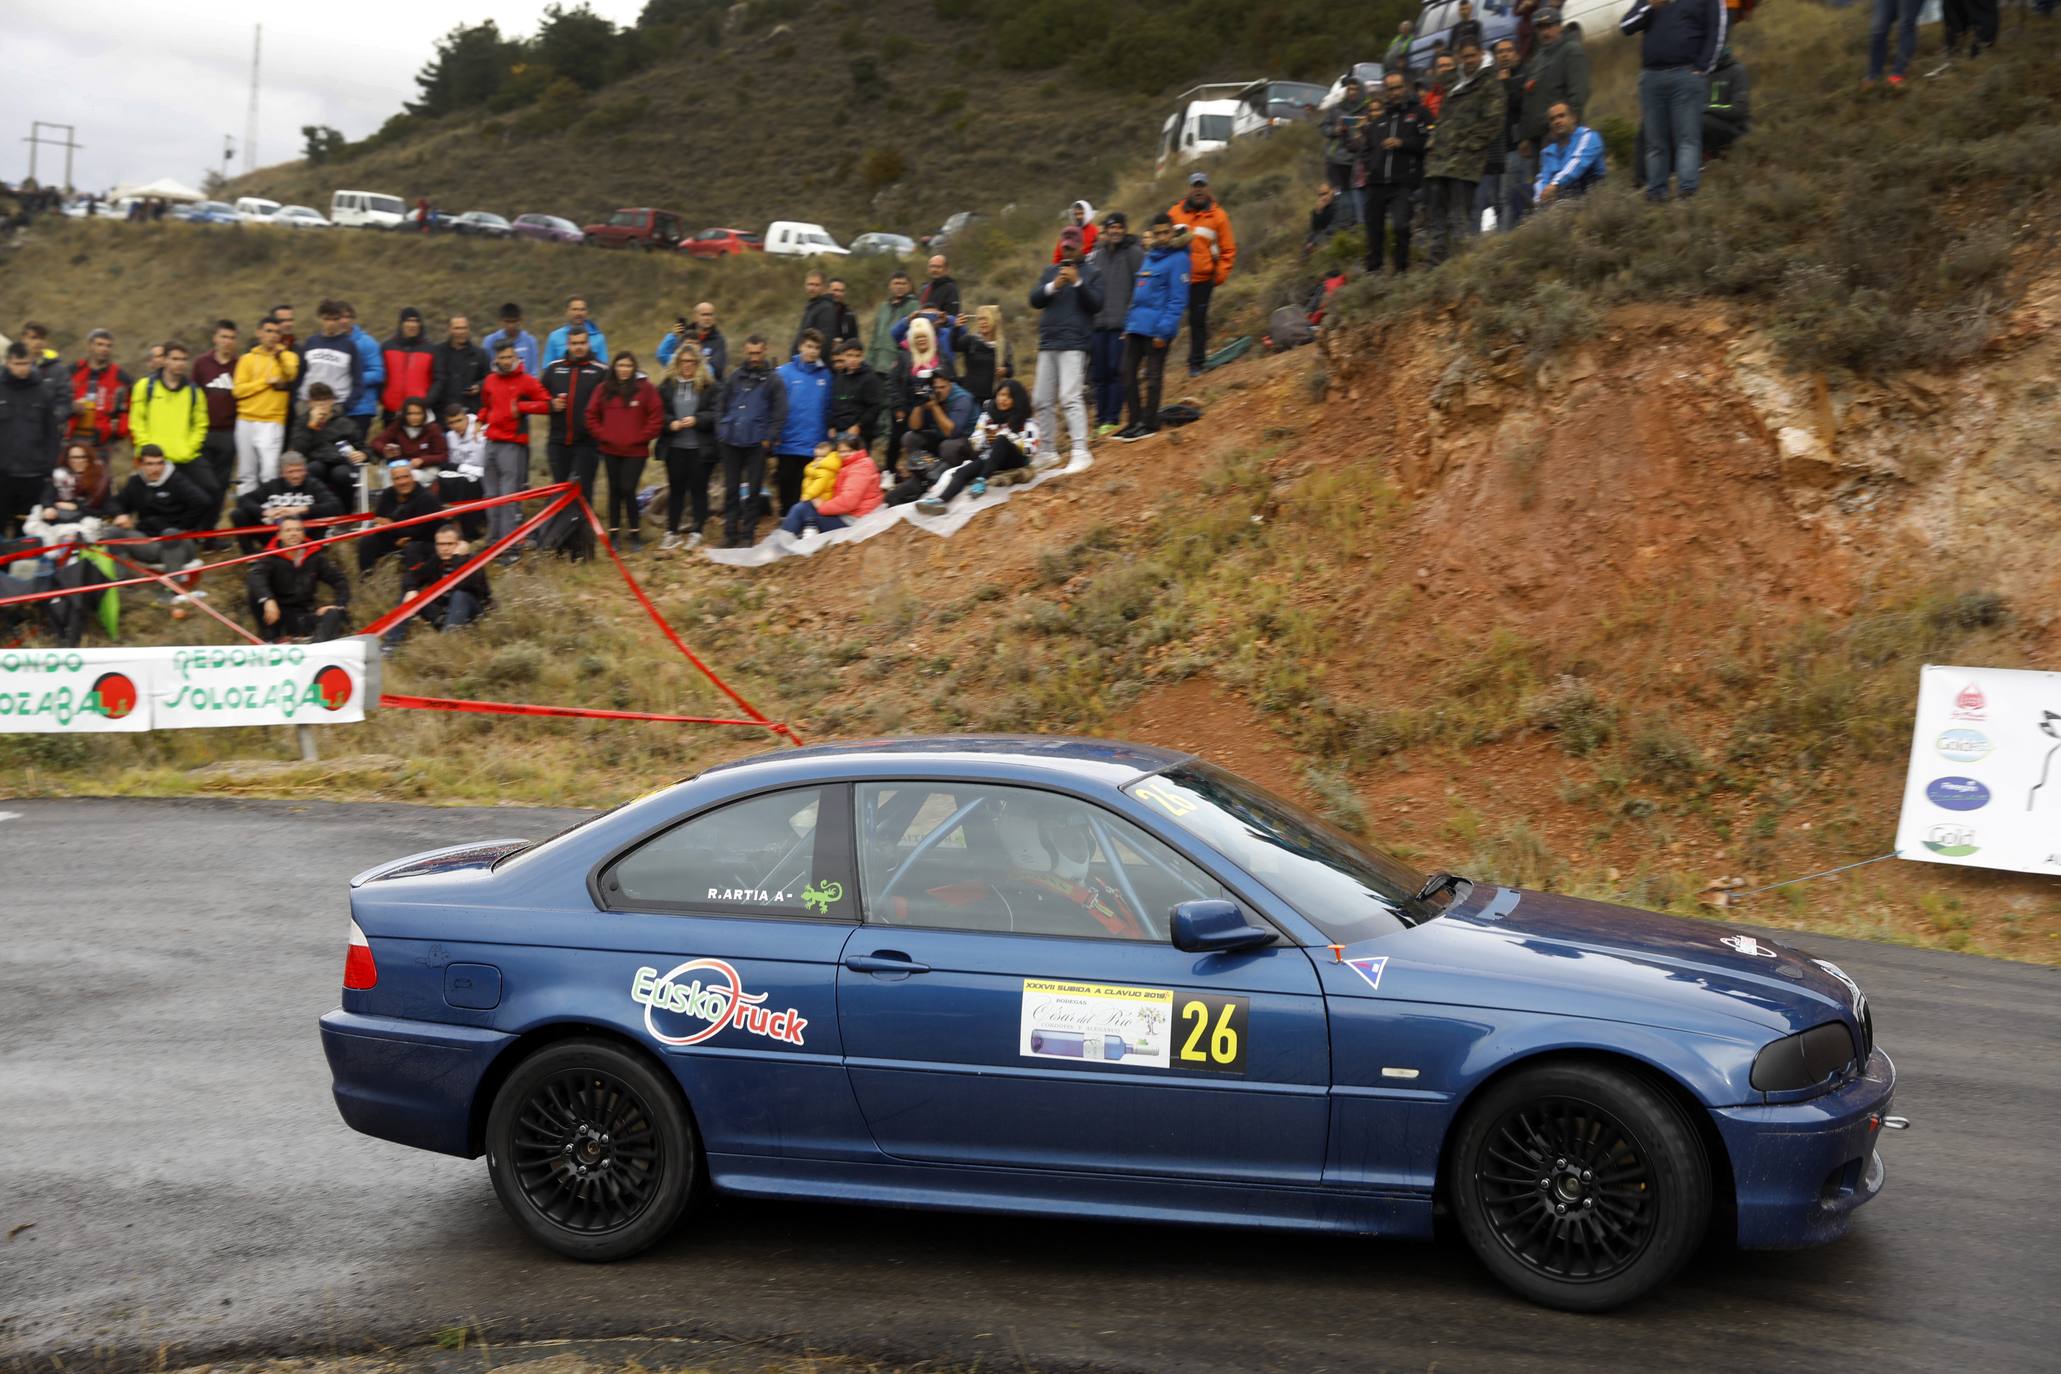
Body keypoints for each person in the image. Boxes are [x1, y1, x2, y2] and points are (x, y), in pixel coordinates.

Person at [1621, 0, 1726, 201]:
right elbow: (1625, 26)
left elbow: (1717, 31)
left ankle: (1687, 192)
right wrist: (1650, 6)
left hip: (1686, 75)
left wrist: (1703, 67)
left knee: (1687, 138)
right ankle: (1657, 193)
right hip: (1651, 77)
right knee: (1655, 142)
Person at [1028, 227, 1104, 468]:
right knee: (1042, 399)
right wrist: (1053, 286)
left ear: (1083, 246)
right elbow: (1034, 299)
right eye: (1064, 246)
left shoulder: (1093, 273)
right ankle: (1048, 450)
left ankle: (1081, 451)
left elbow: (1097, 304)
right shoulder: (1051, 271)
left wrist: (1078, 283)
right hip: (1048, 341)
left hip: (1074, 342)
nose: (1067, 250)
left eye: (1072, 246)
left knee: (1070, 397)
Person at [1422, 41, 1501, 266]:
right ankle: (1436, 261)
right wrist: (1434, 141)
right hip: (1439, 159)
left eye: (1472, 56)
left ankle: (1460, 263)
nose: (1469, 60)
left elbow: (1494, 122)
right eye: (1465, 56)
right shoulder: (1453, 83)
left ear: (1480, 55)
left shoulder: (1489, 84)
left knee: (1459, 214)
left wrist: (1469, 144)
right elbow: (1442, 116)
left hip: (1465, 161)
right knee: (1435, 210)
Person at [1116, 214, 1189, 443]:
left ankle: (1149, 423)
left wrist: (1164, 330)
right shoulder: (1150, 257)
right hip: (1136, 326)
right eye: (1157, 233)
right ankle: (1134, 420)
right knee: (1126, 373)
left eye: (1165, 232)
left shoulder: (1179, 259)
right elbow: (1139, 294)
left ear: (1172, 233)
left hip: (1157, 328)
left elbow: (1178, 300)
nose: (1161, 237)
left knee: (1153, 377)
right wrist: (1128, 325)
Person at [916, 378, 1038, 511]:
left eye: (1009, 397)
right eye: (1001, 395)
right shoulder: (987, 416)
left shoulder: (1026, 421)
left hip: (1016, 459)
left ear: (1017, 400)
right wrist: (986, 439)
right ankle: (941, 500)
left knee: (1002, 440)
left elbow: (1030, 449)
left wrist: (1007, 437)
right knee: (963, 472)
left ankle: (981, 480)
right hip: (992, 456)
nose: (1003, 399)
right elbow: (975, 442)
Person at [584, 351, 663, 550]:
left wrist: (642, 437)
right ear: (614, 368)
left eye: (628, 366)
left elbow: (656, 416)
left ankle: (635, 533)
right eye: (620, 366)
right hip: (610, 449)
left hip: (636, 451)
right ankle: (614, 534)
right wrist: (603, 434)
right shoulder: (603, 389)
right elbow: (590, 415)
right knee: (614, 490)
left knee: (627, 488)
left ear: (634, 368)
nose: (624, 370)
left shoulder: (645, 389)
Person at [713, 335, 787, 548]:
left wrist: (768, 439)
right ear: (745, 352)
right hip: (731, 441)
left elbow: (780, 412)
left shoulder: (774, 380)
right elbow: (720, 403)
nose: (754, 357)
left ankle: (747, 536)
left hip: (757, 444)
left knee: (754, 491)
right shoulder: (735, 376)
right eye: (750, 353)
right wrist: (721, 429)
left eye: (758, 353)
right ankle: (729, 535)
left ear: (764, 351)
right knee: (731, 490)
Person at [478, 343, 552, 551]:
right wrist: (479, 420)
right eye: (502, 357)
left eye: (510, 357)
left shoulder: (526, 380)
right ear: (496, 359)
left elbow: (547, 403)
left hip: (512, 444)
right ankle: (493, 541)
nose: (507, 361)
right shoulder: (490, 380)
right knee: (490, 495)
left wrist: (522, 407)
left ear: (516, 358)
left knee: (509, 496)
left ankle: (509, 544)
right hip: (490, 442)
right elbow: (487, 405)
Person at [111, 444, 212, 593]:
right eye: (150, 464)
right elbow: (116, 503)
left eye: (160, 463)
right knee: (113, 532)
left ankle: (173, 590)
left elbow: (203, 501)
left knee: (170, 535)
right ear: (140, 464)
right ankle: (123, 582)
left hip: (179, 544)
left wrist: (183, 527)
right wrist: (120, 515)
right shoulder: (135, 482)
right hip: (148, 542)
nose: (156, 468)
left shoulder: (176, 480)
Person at [1167, 173, 1235, 378]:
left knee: (1198, 322)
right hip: (1177, 279)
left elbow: (1228, 249)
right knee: (1169, 319)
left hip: (1203, 280)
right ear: (1188, 188)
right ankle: (1156, 362)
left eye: (1202, 186)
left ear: (1208, 188)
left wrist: (1219, 276)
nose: (1198, 190)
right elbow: (1163, 240)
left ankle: (1196, 363)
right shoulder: (1174, 213)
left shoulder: (1219, 216)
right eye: (1195, 186)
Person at [129, 340, 213, 505]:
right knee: (149, 502)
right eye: (175, 359)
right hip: (153, 459)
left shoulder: (194, 391)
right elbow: (137, 421)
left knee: (211, 490)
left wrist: (189, 449)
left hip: (184, 456)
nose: (180, 363)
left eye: (183, 359)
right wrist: (148, 449)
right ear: (165, 360)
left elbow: (201, 424)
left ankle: (198, 530)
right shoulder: (145, 386)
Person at [246, 513, 350, 643]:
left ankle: (316, 647)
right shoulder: (270, 557)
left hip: (305, 615)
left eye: (298, 530)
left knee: (333, 614)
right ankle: (271, 640)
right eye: (288, 530)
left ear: (303, 533)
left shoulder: (315, 557)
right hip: (278, 616)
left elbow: (339, 579)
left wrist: (338, 605)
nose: (293, 534)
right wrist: (268, 600)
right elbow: (255, 576)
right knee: (255, 593)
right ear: (279, 534)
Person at [1359, 89, 1429, 274]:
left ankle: (1401, 270)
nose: (1395, 92)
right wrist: (1369, 167)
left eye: (1398, 87)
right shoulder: (1378, 121)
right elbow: (1365, 149)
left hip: (1403, 181)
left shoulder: (1417, 114)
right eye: (1390, 89)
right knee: (1373, 228)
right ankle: (1374, 270)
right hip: (1376, 182)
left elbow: (1426, 142)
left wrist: (1402, 143)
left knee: (1401, 226)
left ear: (1404, 88)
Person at [388, 523, 491, 645]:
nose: (444, 548)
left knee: (460, 595)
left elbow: (463, 584)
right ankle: (391, 645)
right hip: (443, 614)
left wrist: (457, 558)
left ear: (460, 544)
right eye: (440, 544)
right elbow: (411, 575)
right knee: (410, 595)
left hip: (474, 614)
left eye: (449, 544)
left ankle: (447, 643)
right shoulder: (436, 560)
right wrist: (411, 589)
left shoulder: (472, 561)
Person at [658, 345, 718, 550]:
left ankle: (697, 531)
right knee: (676, 489)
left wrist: (697, 420)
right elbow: (659, 413)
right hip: (674, 446)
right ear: (676, 363)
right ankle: (671, 531)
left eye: (691, 362)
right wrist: (669, 423)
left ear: (698, 364)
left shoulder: (708, 386)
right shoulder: (667, 386)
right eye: (683, 361)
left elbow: (715, 413)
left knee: (698, 490)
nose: (687, 366)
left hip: (699, 448)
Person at [2, 346, 67, 536]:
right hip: (3, 475)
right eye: (17, 364)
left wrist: (48, 468)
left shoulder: (42, 392)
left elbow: (51, 434)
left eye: (26, 364)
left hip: (33, 476)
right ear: (8, 363)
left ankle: (22, 564)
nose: (22, 368)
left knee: (28, 532)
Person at [889, 368, 979, 505]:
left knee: (948, 446)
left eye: (943, 387)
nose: (939, 391)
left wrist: (935, 407)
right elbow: (914, 426)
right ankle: (924, 473)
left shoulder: (962, 398)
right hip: (941, 438)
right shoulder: (930, 395)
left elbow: (952, 432)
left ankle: (944, 478)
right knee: (909, 437)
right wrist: (919, 405)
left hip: (965, 444)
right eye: (935, 387)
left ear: (951, 385)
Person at [1088, 213, 1143, 435]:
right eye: (1112, 227)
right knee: (1099, 375)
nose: (1115, 231)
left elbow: (1141, 288)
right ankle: (1100, 420)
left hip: (1122, 324)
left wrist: (1132, 320)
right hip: (1098, 324)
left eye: (1120, 227)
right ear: (1106, 230)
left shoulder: (1134, 253)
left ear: (1125, 229)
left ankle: (1112, 418)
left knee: (1116, 371)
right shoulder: (1096, 256)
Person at [232, 317, 300, 496]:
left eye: (277, 332)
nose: (272, 336)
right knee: (246, 474)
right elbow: (238, 391)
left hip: (271, 421)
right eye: (268, 331)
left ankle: (269, 516)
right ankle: (247, 516)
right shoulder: (246, 359)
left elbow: (290, 374)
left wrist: (279, 356)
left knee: (269, 473)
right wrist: (265, 382)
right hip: (246, 420)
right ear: (259, 333)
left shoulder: (288, 357)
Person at [1518, 8, 1592, 169]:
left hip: (1562, 135)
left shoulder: (1571, 51)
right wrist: (1525, 136)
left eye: (1549, 26)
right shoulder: (1538, 58)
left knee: (1565, 187)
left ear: (1559, 26)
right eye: (1540, 27)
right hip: (1538, 138)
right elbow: (1528, 98)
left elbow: (1579, 93)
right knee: (1542, 189)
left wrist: (1568, 129)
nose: (1545, 31)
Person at [541, 328, 608, 504]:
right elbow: (537, 396)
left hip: (587, 443)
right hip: (557, 441)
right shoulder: (554, 368)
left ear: (588, 344)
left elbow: (610, 405)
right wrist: (550, 404)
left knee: (582, 491)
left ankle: (584, 530)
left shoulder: (601, 370)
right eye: (574, 343)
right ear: (568, 344)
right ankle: (562, 530)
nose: (578, 347)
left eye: (582, 343)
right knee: (560, 489)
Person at [771, 330, 834, 516]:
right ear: (800, 346)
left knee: (807, 484)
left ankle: (801, 521)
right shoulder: (783, 372)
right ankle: (784, 518)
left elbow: (828, 407)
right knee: (785, 482)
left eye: (816, 347)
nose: (812, 351)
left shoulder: (826, 375)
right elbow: (775, 405)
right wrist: (775, 433)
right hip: (787, 441)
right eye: (809, 346)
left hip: (813, 443)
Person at [230, 450, 342, 550]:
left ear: (305, 471)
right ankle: (251, 556)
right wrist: (264, 512)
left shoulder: (314, 485)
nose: (296, 476)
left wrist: (302, 509)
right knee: (238, 514)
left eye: (299, 471)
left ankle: (315, 552)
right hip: (275, 533)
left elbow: (335, 506)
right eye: (291, 472)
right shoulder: (273, 485)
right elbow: (243, 499)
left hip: (306, 533)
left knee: (325, 514)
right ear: (282, 473)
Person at [778, 432, 881, 537]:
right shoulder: (851, 464)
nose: (844, 454)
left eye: (849, 451)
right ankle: (790, 538)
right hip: (849, 514)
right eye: (841, 451)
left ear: (858, 449)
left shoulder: (861, 467)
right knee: (805, 508)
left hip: (852, 521)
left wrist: (822, 506)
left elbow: (848, 501)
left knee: (801, 510)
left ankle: (780, 545)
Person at [288, 383, 369, 513]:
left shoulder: (346, 423)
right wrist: (311, 426)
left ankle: (345, 513)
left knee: (341, 474)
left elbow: (363, 447)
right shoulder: (302, 422)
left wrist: (363, 454)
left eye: (325, 400)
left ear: (332, 401)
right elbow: (298, 451)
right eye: (317, 400)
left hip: (341, 462)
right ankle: (315, 513)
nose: (322, 405)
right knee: (314, 469)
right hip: (315, 461)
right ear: (310, 403)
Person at [357, 459, 444, 576]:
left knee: (412, 547)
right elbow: (379, 519)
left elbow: (418, 531)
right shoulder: (387, 494)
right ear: (392, 481)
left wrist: (391, 526)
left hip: (422, 542)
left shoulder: (426, 498)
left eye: (405, 477)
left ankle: (412, 584)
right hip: (397, 539)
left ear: (413, 477)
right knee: (367, 541)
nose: (402, 482)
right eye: (397, 478)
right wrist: (394, 538)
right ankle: (367, 576)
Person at [888, 315, 950, 477]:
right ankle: (919, 473)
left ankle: (937, 471)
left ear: (930, 337)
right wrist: (898, 405)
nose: (921, 340)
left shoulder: (940, 356)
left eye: (924, 336)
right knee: (910, 441)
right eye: (917, 337)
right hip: (911, 410)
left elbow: (951, 380)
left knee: (935, 442)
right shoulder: (904, 357)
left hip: (938, 410)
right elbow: (893, 382)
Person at [1479, 39, 1529, 232]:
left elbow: (1518, 103)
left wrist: (1506, 81)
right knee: (1494, 200)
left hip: (1514, 146)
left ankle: (1508, 239)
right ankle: (1502, 236)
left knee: (1508, 196)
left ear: (1515, 54)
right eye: (1500, 52)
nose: (1504, 55)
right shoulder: (1489, 80)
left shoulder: (1522, 75)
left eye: (1509, 50)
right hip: (1493, 149)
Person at [25, 442, 113, 547]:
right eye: (73, 458)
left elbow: (102, 509)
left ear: (89, 458)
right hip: (58, 520)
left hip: (85, 521)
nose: (78, 461)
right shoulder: (60, 476)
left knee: (88, 526)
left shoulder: (99, 480)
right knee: (35, 519)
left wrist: (76, 507)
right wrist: (48, 507)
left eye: (82, 457)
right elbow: (47, 496)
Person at [191, 319, 241, 500]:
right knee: (202, 481)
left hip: (228, 432)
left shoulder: (241, 365)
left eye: (231, 338)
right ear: (215, 338)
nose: (227, 341)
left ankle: (213, 524)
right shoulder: (201, 363)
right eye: (224, 336)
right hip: (204, 430)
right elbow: (193, 396)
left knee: (221, 484)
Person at [65, 329, 131, 453]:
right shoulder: (72, 371)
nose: (104, 349)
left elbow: (128, 409)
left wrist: (118, 431)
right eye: (100, 344)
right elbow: (58, 400)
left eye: (108, 346)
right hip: (72, 440)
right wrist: (71, 406)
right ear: (90, 346)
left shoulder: (121, 378)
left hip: (103, 444)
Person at [299, 302, 364, 419]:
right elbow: (300, 374)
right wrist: (297, 402)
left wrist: (345, 407)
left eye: (335, 319)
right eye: (327, 319)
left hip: (335, 407)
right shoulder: (311, 342)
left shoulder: (349, 346)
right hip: (307, 405)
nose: (331, 323)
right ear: (320, 319)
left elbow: (358, 381)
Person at [1534, 101, 1607, 204]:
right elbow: (1543, 178)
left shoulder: (1589, 136)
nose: (1557, 121)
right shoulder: (1549, 151)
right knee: (1520, 190)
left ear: (1573, 118)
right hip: (1561, 201)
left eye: (1561, 116)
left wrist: (1554, 184)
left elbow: (1577, 163)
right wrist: (1539, 198)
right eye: (1552, 119)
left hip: (1591, 199)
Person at [1321, 81, 1370, 225]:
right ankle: (1344, 225)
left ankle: (1358, 224)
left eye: (1355, 89)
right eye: (1350, 89)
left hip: (1358, 159)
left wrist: (1365, 127)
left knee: (1359, 194)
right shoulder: (1336, 108)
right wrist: (1335, 130)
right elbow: (1324, 128)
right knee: (1340, 194)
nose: (1352, 92)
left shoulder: (1367, 109)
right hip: (1336, 158)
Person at [827, 337, 884, 457]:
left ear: (862, 356)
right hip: (838, 433)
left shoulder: (870, 378)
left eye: (857, 356)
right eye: (849, 355)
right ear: (843, 356)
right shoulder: (839, 377)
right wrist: (831, 425)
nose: (853, 359)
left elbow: (875, 406)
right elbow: (834, 402)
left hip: (859, 435)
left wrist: (859, 425)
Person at [337, 303, 387, 439]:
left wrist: (352, 378)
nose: (343, 321)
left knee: (356, 453)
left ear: (353, 319)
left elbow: (378, 373)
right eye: (340, 317)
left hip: (361, 407)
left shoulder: (367, 343)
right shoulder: (329, 343)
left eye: (347, 317)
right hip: (335, 407)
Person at [951, 305, 1014, 407]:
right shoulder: (971, 340)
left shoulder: (1003, 345)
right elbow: (954, 346)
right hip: (970, 396)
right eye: (980, 319)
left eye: (986, 319)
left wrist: (1005, 370)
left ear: (994, 321)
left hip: (993, 397)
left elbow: (1011, 370)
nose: (982, 322)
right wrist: (956, 328)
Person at [429, 314, 490, 418]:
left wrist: (479, 386)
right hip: (442, 413)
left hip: (470, 413)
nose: (461, 332)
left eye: (464, 328)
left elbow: (489, 378)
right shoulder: (437, 351)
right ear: (449, 329)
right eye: (457, 328)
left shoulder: (480, 354)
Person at [655, 301, 727, 380]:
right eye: (704, 315)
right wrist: (673, 335)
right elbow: (664, 356)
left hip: (707, 387)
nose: (707, 318)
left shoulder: (719, 341)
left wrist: (695, 360)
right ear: (695, 317)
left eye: (710, 315)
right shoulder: (684, 337)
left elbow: (717, 369)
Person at [1702, 46, 1752, 158]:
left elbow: (1738, 110)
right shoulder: (1702, 74)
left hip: (1734, 129)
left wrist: (1706, 108)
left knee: (1701, 121)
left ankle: (1710, 157)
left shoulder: (1737, 71)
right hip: (1709, 125)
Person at [866, 272, 919, 380]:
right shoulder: (883, 306)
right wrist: (869, 361)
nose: (899, 286)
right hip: (878, 364)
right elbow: (875, 336)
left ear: (909, 286)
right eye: (896, 283)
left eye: (903, 283)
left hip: (897, 364)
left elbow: (913, 338)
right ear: (890, 286)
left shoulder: (914, 306)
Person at [370, 397, 449, 468]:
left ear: (424, 414)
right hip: (402, 468)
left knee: (414, 477)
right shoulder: (397, 426)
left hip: (427, 468)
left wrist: (423, 460)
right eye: (410, 414)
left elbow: (443, 455)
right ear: (404, 414)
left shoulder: (433, 428)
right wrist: (385, 449)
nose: (414, 417)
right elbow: (377, 442)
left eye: (418, 413)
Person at [542, 296, 609, 366]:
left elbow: (604, 367)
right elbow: (547, 367)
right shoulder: (554, 337)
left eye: (582, 309)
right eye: (575, 309)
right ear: (567, 311)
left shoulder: (599, 338)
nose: (578, 313)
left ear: (587, 312)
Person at [482, 303, 540, 377]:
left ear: (519, 321)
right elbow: (486, 370)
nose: (511, 326)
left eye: (514, 321)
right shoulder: (490, 341)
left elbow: (533, 371)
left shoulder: (530, 341)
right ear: (501, 321)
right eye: (507, 322)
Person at [791, 271, 840, 358]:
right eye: (809, 284)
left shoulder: (826, 308)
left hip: (812, 364)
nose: (812, 288)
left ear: (824, 287)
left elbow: (825, 341)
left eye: (816, 285)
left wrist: (810, 362)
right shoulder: (813, 305)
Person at [918, 254, 962, 322]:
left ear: (946, 269)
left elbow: (953, 315)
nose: (934, 270)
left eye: (938, 267)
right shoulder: (925, 288)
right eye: (932, 266)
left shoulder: (950, 288)